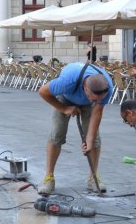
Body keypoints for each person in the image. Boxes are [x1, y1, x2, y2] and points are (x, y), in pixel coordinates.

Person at [37, 62, 114, 194]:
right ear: (85, 88)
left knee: (94, 139)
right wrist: (64, 108)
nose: (96, 101)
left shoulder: (107, 87)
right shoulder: (67, 82)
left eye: (98, 99)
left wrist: (89, 142)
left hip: (86, 103)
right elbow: (43, 92)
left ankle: (93, 177)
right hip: (65, 97)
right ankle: (49, 177)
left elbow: (97, 112)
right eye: (93, 98)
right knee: (57, 134)